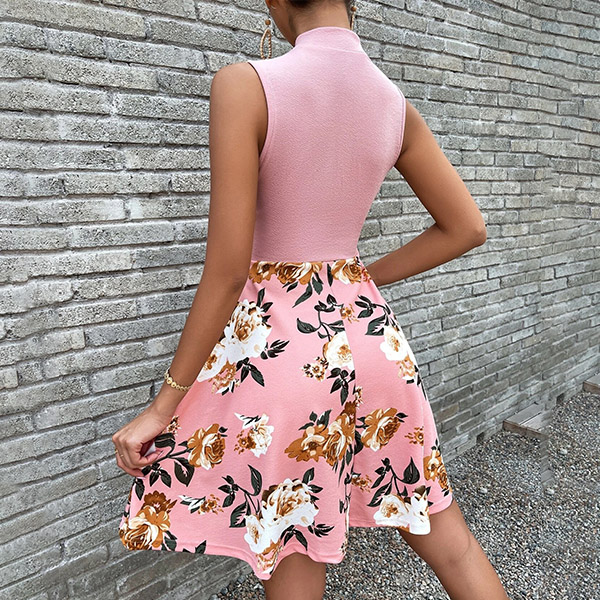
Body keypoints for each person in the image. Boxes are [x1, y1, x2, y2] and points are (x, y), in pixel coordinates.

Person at [112, 1, 510, 599]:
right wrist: (354, 280)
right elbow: (467, 227)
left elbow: (227, 272)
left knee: (296, 548)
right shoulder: (394, 104)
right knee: (449, 541)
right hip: (373, 345)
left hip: (285, 359)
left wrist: (164, 405)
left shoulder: (246, 85)